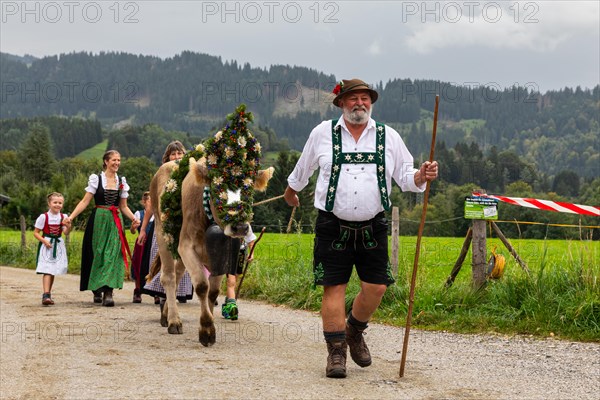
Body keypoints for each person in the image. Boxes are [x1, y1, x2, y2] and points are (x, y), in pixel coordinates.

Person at [284, 78, 439, 379]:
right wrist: (292, 191)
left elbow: (407, 177)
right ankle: (336, 353)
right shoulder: (322, 134)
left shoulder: (387, 136)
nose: (360, 103)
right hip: (332, 224)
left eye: (365, 98)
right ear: (341, 103)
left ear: (371, 103)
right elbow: (303, 168)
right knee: (334, 287)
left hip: (373, 225)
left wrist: (422, 174)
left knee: (377, 287)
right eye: (353, 98)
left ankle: (353, 329)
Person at [65, 150, 140, 307]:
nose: (117, 163)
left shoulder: (122, 182)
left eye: (119, 160)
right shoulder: (96, 179)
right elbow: (85, 201)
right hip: (99, 219)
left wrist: (134, 218)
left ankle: (108, 292)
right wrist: (71, 217)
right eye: (114, 160)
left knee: (112, 254)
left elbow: (124, 206)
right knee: (99, 253)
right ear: (106, 161)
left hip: (115, 221)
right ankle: (97, 288)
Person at [139, 140, 194, 304]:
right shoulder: (161, 175)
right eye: (173, 154)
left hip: (184, 227)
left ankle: (178, 293)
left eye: (179, 154)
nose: (176, 157)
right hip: (164, 226)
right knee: (164, 257)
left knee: (183, 259)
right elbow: (150, 207)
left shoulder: (189, 176)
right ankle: (161, 293)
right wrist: (143, 229)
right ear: (167, 157)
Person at [33, 192, 72, 306]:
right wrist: (44, 240)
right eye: (55, 202)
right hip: (47, 244)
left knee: (53, 269)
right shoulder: (43, 217)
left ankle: (48, 294)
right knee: (47, 269)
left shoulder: (63, 217)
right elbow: (36, 233)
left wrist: (69, 226)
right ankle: (45, 295)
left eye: (60, 203)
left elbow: (65, 232)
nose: (58, 205)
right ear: (49, 203)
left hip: (58, 244)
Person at [221, 227, 256, 320]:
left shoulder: (244, 222)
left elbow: (250, 239)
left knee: (234, 280)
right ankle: (232, 306)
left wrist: (251, 254)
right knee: (231, 281)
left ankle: (227, 304)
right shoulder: (226, 219)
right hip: (228, 252)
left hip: (240, 253)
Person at [130, 191, 152, 303]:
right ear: (144, 202)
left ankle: (155, 292)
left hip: (153, 243)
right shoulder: (139, 214)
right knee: (138, 265)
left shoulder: (157, 215)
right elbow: (133, 231)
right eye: (149, 200)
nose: (152, 202)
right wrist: (133, 228)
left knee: (152, 265)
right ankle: (137, 290)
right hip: (141, 243)